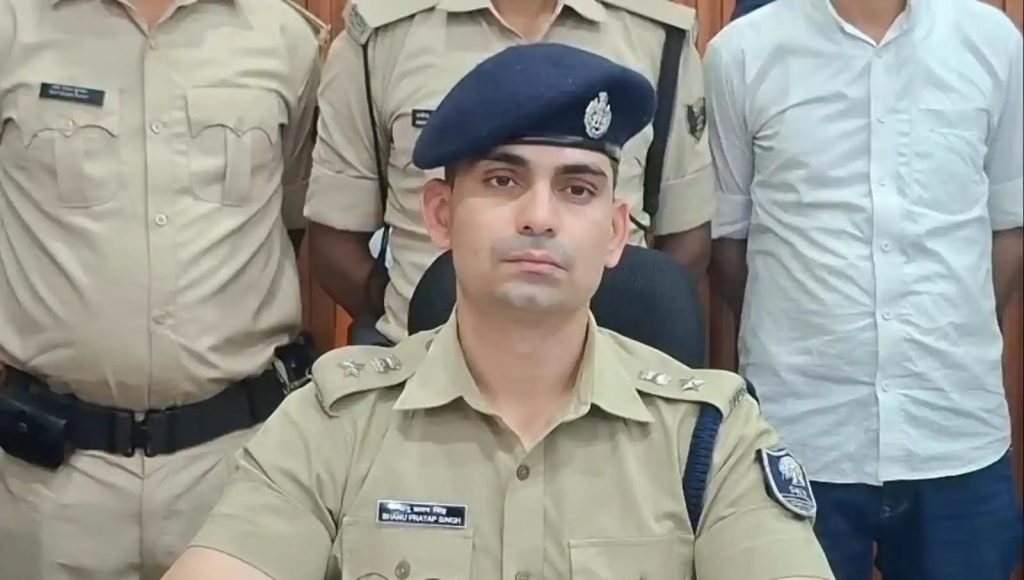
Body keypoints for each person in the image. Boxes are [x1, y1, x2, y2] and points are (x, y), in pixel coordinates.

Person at [162, 42, 834, 580]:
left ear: (615, 232)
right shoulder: (334, 424)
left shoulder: (710, 437)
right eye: (503, 180)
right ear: (440, 215)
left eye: (577, 188)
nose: (539, 216)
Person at [0, 0, 326, 578]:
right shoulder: (12, 26)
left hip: (238, 468)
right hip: (49, 480)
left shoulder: (284, 37)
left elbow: (293, 217)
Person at [705, 0, 1024, 578]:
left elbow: (1008, 228)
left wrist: (949, 329)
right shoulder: (741, 52)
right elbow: (729, 243)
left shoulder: (992, 42)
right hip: (799, 436)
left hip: (954, 430)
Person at [305, 0, 716, 346]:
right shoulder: (382, 36)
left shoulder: (657, 36)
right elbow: (336, 241)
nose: (538, 219)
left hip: (614, 374)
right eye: (501, 180)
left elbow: (686, 240)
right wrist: (423, 312)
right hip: (418, 364)